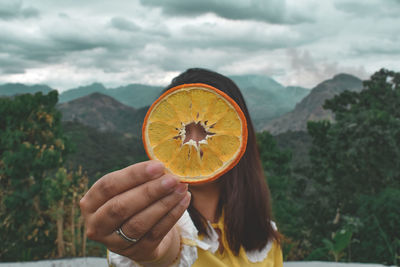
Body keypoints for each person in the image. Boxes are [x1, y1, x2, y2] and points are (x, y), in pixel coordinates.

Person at [80, 68, 283, 267]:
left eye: (208, 130)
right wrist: (150, 251)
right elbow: (166, 249)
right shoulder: (165, 221)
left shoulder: (267, 242)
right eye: (182, 132)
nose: (194, 142)